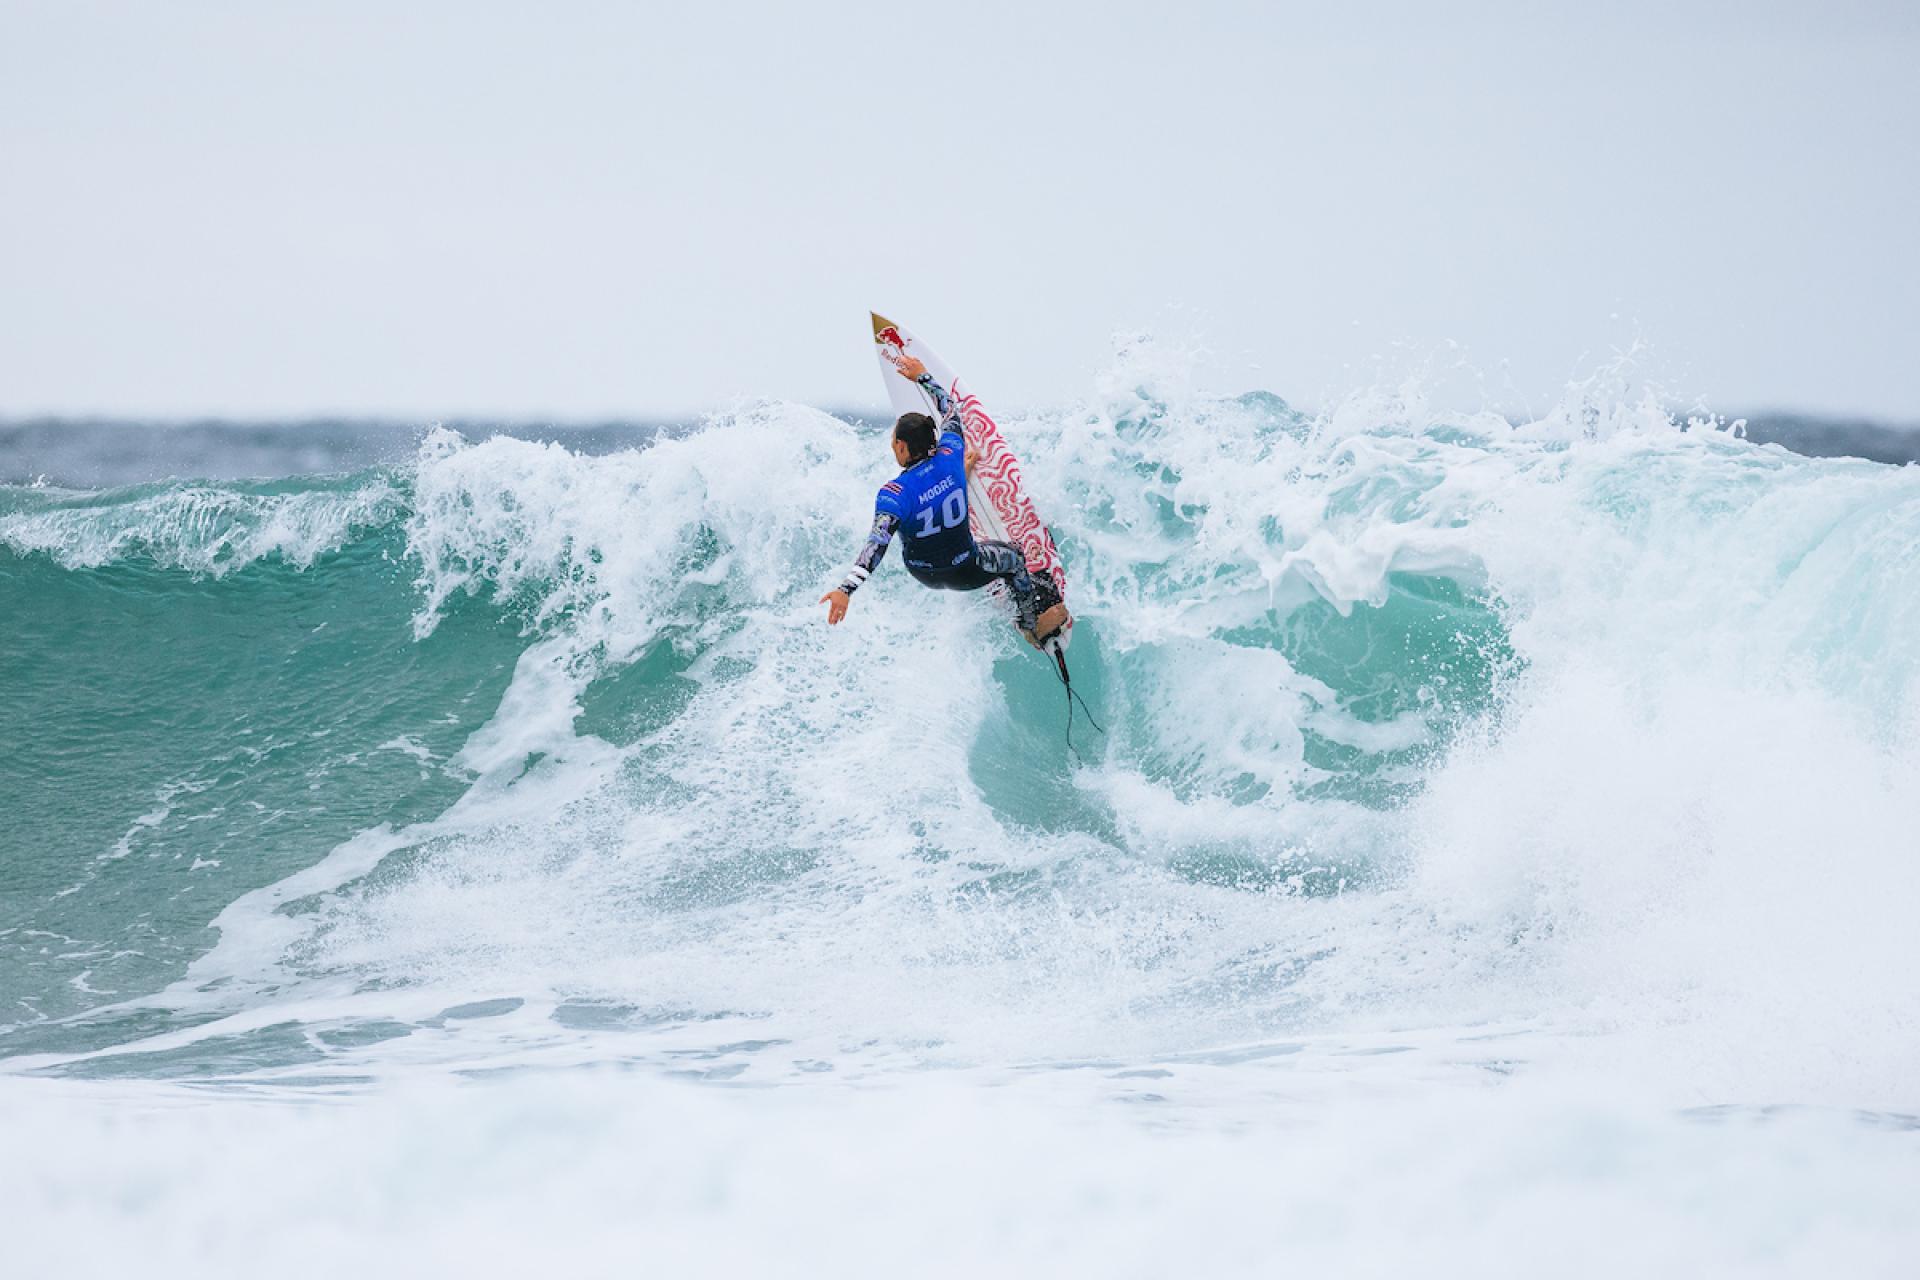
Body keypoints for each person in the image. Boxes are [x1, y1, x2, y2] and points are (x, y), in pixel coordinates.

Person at [819, 356, 1060, 643]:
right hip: (969, 568)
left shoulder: (893, 494)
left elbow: (876, 546)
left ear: (902, 446)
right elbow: (951, 413)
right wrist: (923, 376)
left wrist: (845, 591)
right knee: (1015, 558)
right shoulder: (951, 453)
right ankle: (1030, 622)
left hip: (924, 574)